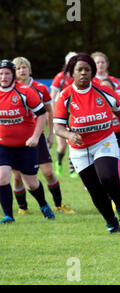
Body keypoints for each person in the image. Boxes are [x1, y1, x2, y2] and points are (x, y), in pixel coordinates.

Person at [53, 53, 120, 234]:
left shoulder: (103, 91)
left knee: (108, 177)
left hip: (103, 141)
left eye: (87, 70)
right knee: (94, 190)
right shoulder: (64, 96)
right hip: (79, 149)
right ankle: (111, 222)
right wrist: (68, 134)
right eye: (79, 70)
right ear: (72, 74)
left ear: (92, 73)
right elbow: (57, 127)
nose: (83, 73)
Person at [11, 56, 74, 215]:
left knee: (48, 173)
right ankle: (23, 207)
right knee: (17, 176)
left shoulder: (40, 88)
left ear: (30, 69)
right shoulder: (9, 89)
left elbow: (49, 112)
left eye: (24, 67)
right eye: (18, 68)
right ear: (13, 72)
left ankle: (59, 205)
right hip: (16, 139)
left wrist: (52, 135)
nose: (22, 70)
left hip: (38, 136)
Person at [0, 59, 55, 223]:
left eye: (7, 73)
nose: (3, 77)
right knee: (2, 177)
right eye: (1, 74)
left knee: (31, 184)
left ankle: (43, 204)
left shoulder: (24, 91)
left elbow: (42, 114)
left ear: (13, 75)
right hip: (3, 146)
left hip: (26, 146)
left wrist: (36, 137)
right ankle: (8, 215)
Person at [51, 51, 78, 178]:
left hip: (74, 116)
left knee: (74, 141)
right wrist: (53, 116)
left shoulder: (79, 77)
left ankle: (73, 169)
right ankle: (59, 163)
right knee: (62, 146)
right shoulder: (60, 77)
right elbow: (52, 97)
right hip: (60, 116)